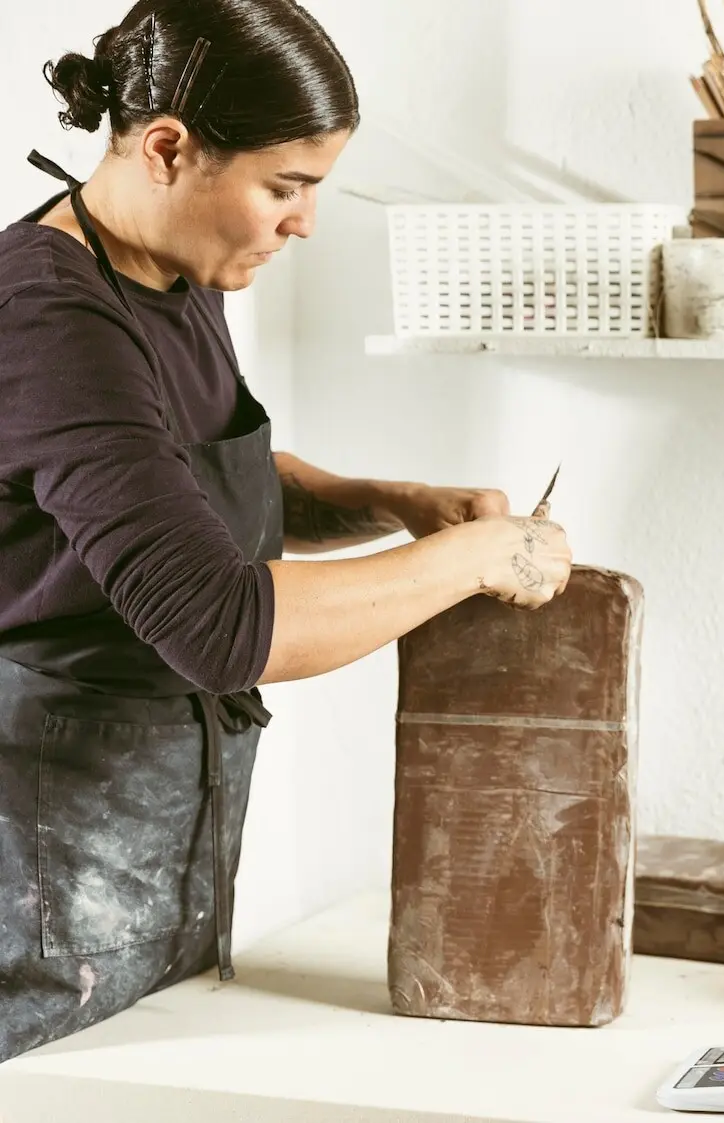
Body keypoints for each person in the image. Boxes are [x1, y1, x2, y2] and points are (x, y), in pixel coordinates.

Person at [0, 0, 572, 1064]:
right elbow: (215, 620)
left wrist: (389, 502)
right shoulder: (47, 313)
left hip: (153, 863)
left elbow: (187, 489)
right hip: (37, 879)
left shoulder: (168, 267)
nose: (304, 222)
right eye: (284, 186)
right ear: (169, 146)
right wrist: (474, 557)